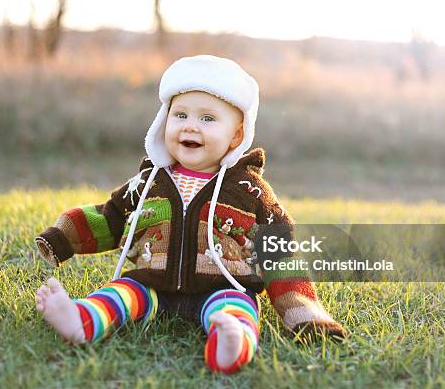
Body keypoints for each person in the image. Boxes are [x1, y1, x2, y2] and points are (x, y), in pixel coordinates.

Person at [34, 55, 347, 374]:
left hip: (222, 285)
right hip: (151, 283)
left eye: (208, 118)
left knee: (236, 311)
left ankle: (231, 343)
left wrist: (306, 316)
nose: (190, 125)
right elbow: (110, 216)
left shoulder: (248, 191)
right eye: (180, 114)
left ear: (236, 136)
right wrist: (62, 236)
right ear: (164, 121)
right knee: (120, 293)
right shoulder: (150, 180)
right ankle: (82, 320)